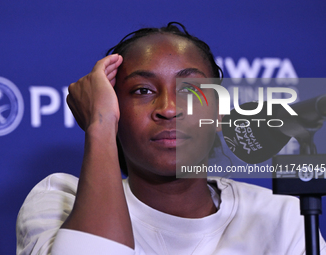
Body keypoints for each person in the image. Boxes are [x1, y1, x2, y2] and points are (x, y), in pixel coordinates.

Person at [16, 22, 326, 255]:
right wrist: (99, 127)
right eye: (142, 91)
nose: (168, 108)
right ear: (112, 108)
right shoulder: (59, 201)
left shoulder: (279, 216)